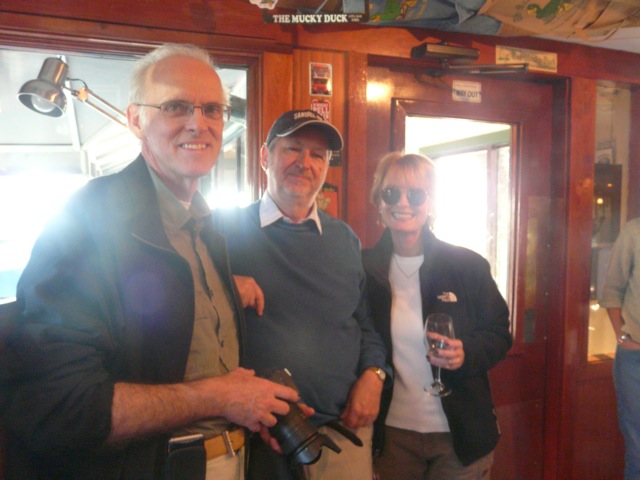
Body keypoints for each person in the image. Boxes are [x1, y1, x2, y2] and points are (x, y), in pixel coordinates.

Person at [0, 43, 301, 480]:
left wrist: (255, 403)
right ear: (135, 120)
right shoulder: (86, 221)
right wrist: (219, 396)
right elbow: (61, 405)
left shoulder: (207, 228)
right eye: (176, 106)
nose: (199, 123)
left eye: (213, 110)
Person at [214, 109, 389, 480]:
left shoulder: (345, 239)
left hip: (341, 433)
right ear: (265, 156)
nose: (304, 163)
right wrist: (224, 286)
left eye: (318, 155)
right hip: (256, 437)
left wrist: (375, 374)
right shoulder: (222, 232)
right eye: (292, 149)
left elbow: (364, 325)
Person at [361, 152, 512, 480]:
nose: (403, 202)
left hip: (460, 437)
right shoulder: (363, 269)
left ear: (430, 203)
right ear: (379, 202)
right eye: (391, 193)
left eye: (415, 194)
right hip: (391, 437)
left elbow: (499, 333)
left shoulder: (467, 266)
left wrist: (466, 353)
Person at [599, 218, 640, 480]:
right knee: (638, 449)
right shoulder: (634, 232)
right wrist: (622, 335)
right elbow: (612, 291)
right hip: (636, 358)